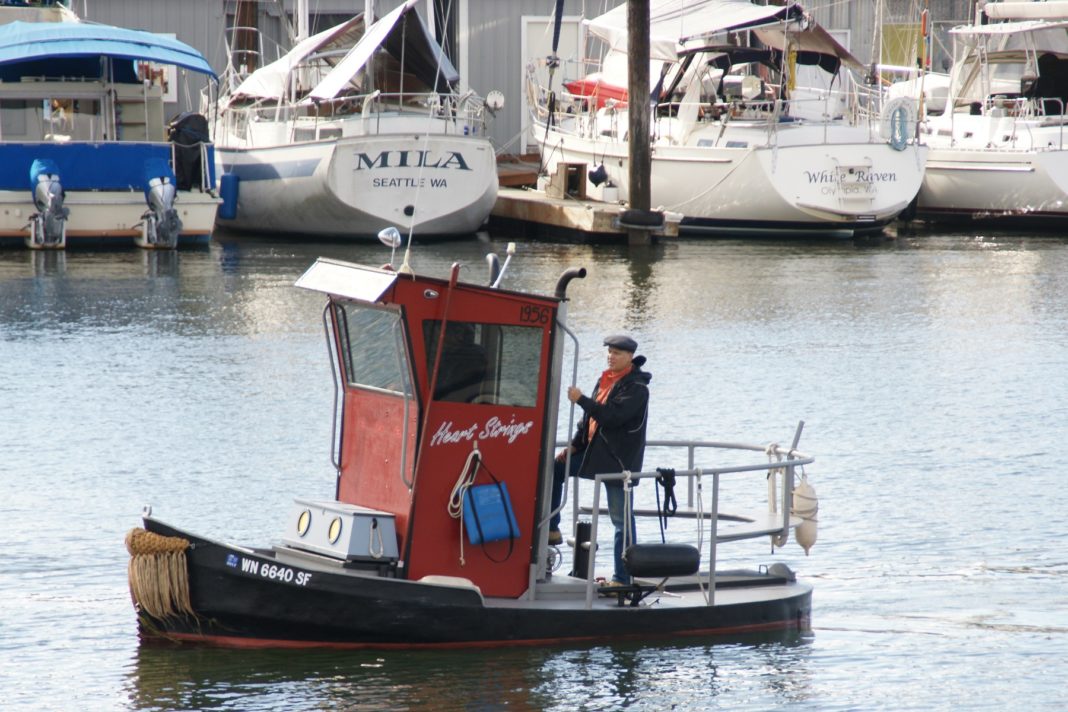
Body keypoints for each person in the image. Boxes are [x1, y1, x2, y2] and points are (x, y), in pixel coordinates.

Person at [549, 334, 651, 587]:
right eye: (609, 352)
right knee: (555, 467)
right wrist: (574, 445)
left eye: (616, 353)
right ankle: (552, 528)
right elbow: (589, 422)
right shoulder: (604, 380)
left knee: (621, 520)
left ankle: (623, 578)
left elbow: (612, 417)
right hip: (594, 455)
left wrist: (581, 400)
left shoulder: (636, 387)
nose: (611, 356)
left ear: (629, 358)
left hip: (617, 462)